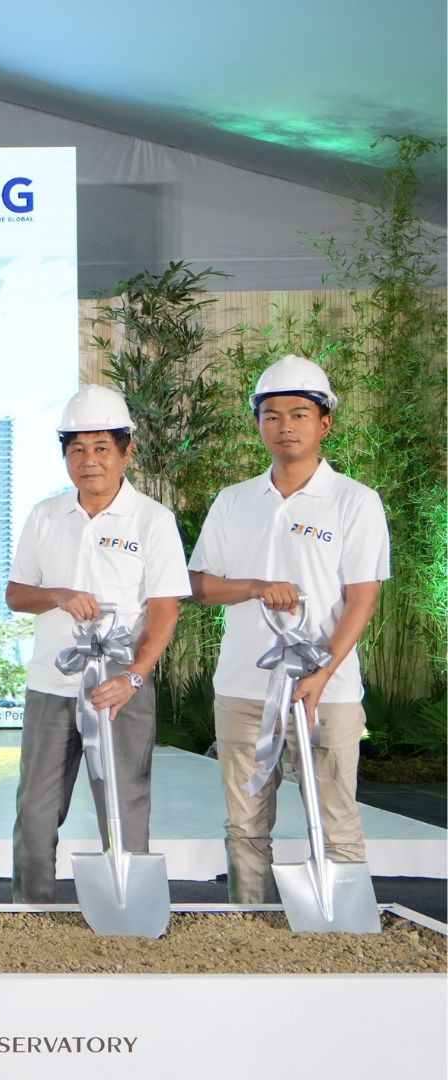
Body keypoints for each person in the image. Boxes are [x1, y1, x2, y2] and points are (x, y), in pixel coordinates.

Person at [187, 355, 389, 903]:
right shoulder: (234, 502)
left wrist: (323, 674)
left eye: (299, 414)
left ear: (325, 423)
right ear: (258, 425)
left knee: (336, 817)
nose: (285, 426)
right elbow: (199, 585)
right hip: (243, 689)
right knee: (245, 824)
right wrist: (254, 586)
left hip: (329, 693)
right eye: (271, 415)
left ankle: (340, 931)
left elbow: (362, 596)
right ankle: (251, 925)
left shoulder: (354, 501)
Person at [5, 386, 189, 902]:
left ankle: (126, 910)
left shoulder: (152, 521)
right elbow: (17, 595)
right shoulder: (45, 516)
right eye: (77, 449)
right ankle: (30, 911)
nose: (89, 461)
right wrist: (58, 595)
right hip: (51, 686)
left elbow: (165, 611)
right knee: (36, 811)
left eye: (101, 448)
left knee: (125, 803)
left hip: (118, 691)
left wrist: (133, 677)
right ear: (65, 455)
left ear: (127, 451)